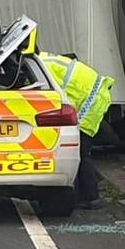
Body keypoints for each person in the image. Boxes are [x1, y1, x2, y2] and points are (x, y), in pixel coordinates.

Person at [37, 51, 113, 208]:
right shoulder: (42, 60)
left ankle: (91, 198)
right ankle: (85, 193)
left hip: (93, 99)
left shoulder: (39, 67)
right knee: (79, 150)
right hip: (94, 93)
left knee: (80, 151)